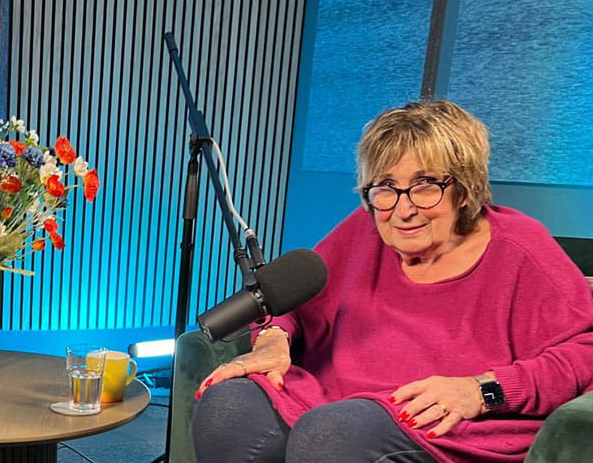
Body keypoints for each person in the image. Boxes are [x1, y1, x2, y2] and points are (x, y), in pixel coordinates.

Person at [192, 99, 593, 462]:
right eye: (386, 187)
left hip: (445, 422)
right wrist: (273, 339)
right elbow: (293, 299)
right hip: (333, 397)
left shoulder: (520, 248)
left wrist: (482, 390)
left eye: (425, 185)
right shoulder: (363, 229)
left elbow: (584, 352)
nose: (403, 209)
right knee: (227, 405)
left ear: (464, 188)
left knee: (330, 436)